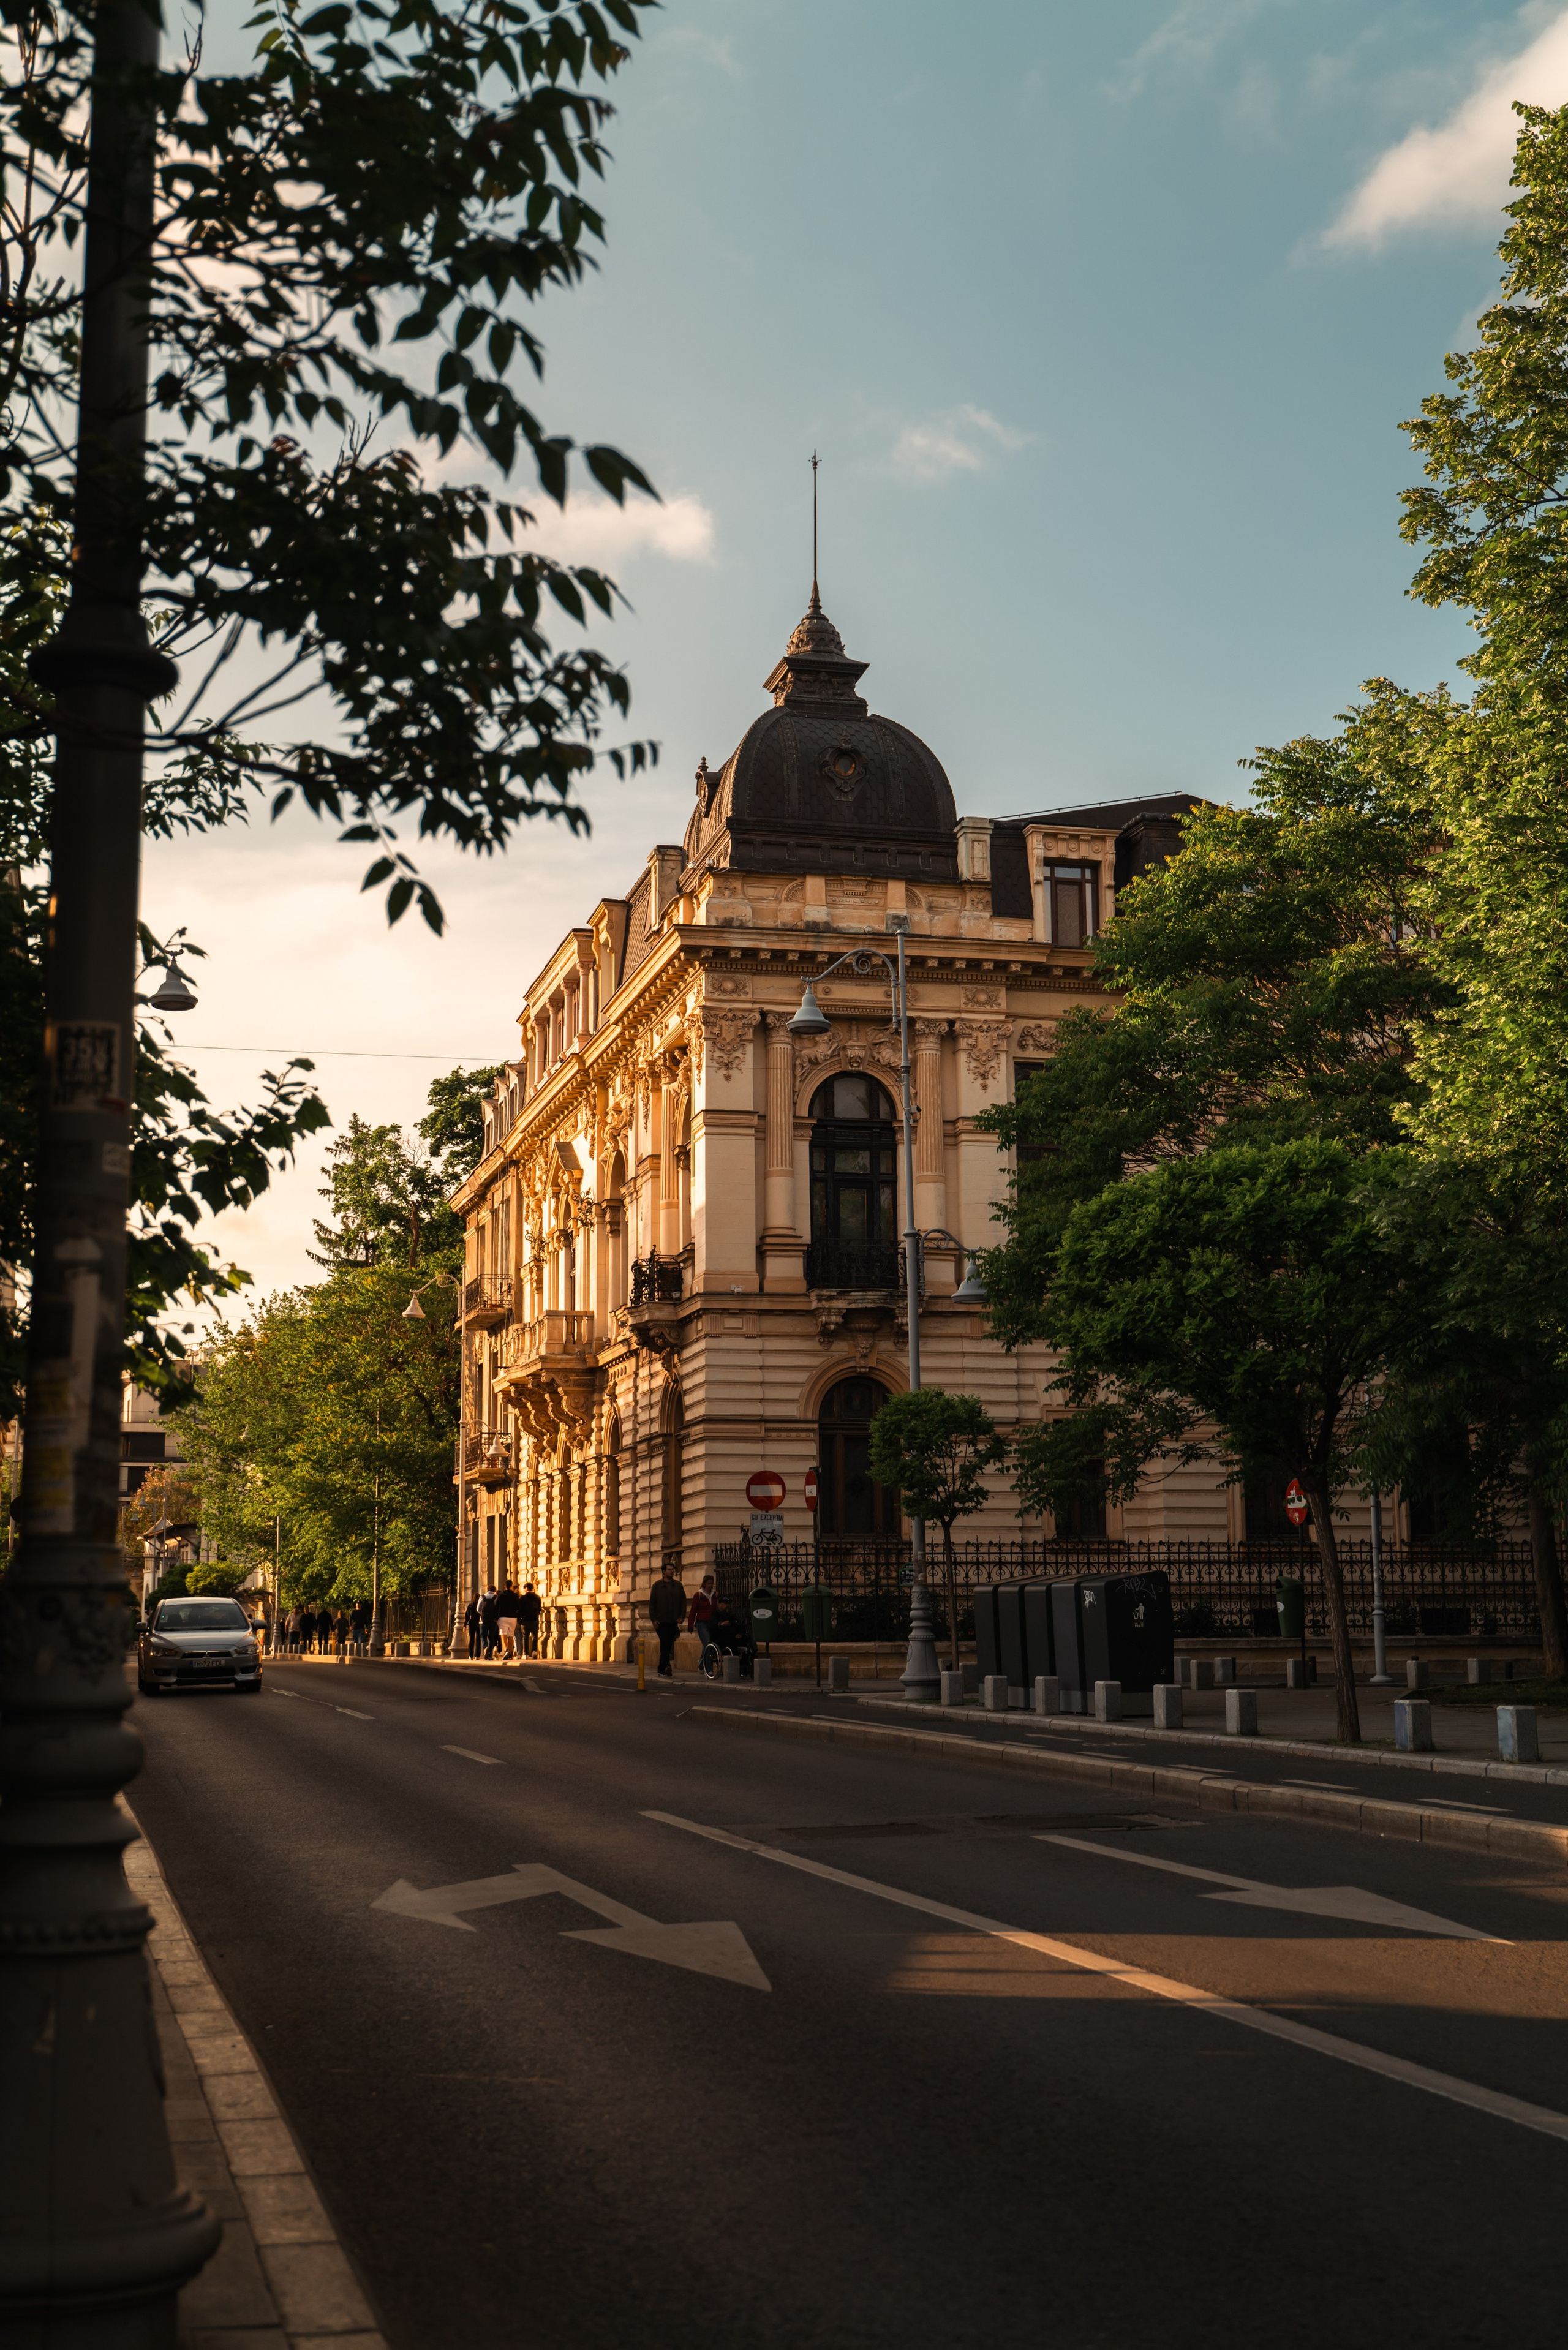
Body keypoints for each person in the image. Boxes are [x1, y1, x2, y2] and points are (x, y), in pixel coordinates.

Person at [647, 1563, 687, 1679]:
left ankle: (661, 1669)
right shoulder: (657, 1586)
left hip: (673, 1621)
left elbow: (683, 1602)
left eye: (673, 1569)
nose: (672, 1571)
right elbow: (652, 1604)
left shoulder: (678, 1585)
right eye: (669, 1569)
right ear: (664, 1571)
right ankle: (667, 1666)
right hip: (661, 1621)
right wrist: (654, 1619)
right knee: (664, 1643)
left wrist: (682, 1616)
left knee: (668, 1644)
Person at [687, 1572, 717, 1668]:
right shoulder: (699, 1595)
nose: (710, 1585)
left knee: (706, 1646)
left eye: (712, 1583)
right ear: (704, 1584)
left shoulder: (715, 1594)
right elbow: (693, 1611)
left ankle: (701, 1663)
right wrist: (690, 1626)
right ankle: (708, 1669)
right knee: (708, 1644)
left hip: (711, 1623)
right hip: (702, 1623)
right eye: (709, 1584)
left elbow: (717, 1609)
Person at [496, 1582, 522, 1662]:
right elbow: (519, 1607)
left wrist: (496, 1617)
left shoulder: (500, 1595)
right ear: (511, 1586)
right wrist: (518, 1618)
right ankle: (509, 1654)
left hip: (503, 1617)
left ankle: (506, 1651)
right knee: (511, 1636)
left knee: (503, 1635)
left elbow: (496, 1606)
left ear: (505, 1586)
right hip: (513, 1618)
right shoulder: (515, 1596)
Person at [518, 1582, 542, 1660]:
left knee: (525, 1637)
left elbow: (520, 1610)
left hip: (525, 1620)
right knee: (535, 1636)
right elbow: (539, 1609)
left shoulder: (522, 1598)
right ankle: (534, 1651)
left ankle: (526, 1654)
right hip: (535, 1619)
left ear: (526, 1589)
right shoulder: (538, 1598)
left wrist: (519, 1619)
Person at [478, 1584, 501, 1661]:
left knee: (483, 1636)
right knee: (491, 1637)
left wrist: (483, 1614)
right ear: (494, 1590)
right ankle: (490, 1655)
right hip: (493, 1621)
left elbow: (478, 1609)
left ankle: (485, 1647)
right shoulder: (496, 1597)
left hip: (483, 1621)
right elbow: (498, 1609)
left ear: (487, 1590)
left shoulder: (482, 1597)